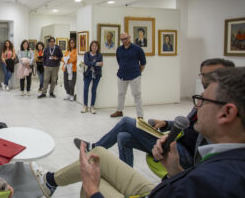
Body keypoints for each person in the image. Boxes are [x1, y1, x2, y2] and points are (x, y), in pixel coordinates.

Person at [31, 67, 245, 198]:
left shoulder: (216, 183)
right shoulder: (224, 161)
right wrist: (174, 170)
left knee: (94, 178)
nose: (196, 107)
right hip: (168, 182)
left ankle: (59, 182)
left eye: (202, 100)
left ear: (226, 113)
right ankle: (51, 181)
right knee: (102, 154)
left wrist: (93, 191)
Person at [74, 58, 235, 168]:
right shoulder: (204, 98)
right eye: (203, 74)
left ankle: (94, 147)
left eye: (212, 74)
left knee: (126, 122)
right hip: (177, 140)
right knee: (123, 137)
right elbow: (188, 123)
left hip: (185, 154)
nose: (205, 79)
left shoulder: (223, 105)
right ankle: (125, 175)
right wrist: (165, 123)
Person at [111, 33, 146, 118]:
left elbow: (143, 63)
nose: (124, 41)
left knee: (137, 95)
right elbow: (119, 61)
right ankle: (119, 111)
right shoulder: (119, 49)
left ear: (129, 38)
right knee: (121, 94)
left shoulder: (137, 49)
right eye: (122, 39)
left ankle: (140, 116)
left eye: (125, 39)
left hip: (134, 75)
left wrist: (137, 71)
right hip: (121, 75)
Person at [81, 41, 103, 114]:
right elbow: (86, 62)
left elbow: (101, 64)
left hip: (97, 74)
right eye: (93, 45)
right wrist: (96, 63)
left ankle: (92, 106)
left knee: (94, 90)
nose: (94, 47)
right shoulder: (86, 54)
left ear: (98, 47)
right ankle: (85, 106)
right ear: (90, 46)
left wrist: (91, 63)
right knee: (85, 89)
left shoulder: (99, 55)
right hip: (88, 74)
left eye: (96, 46)